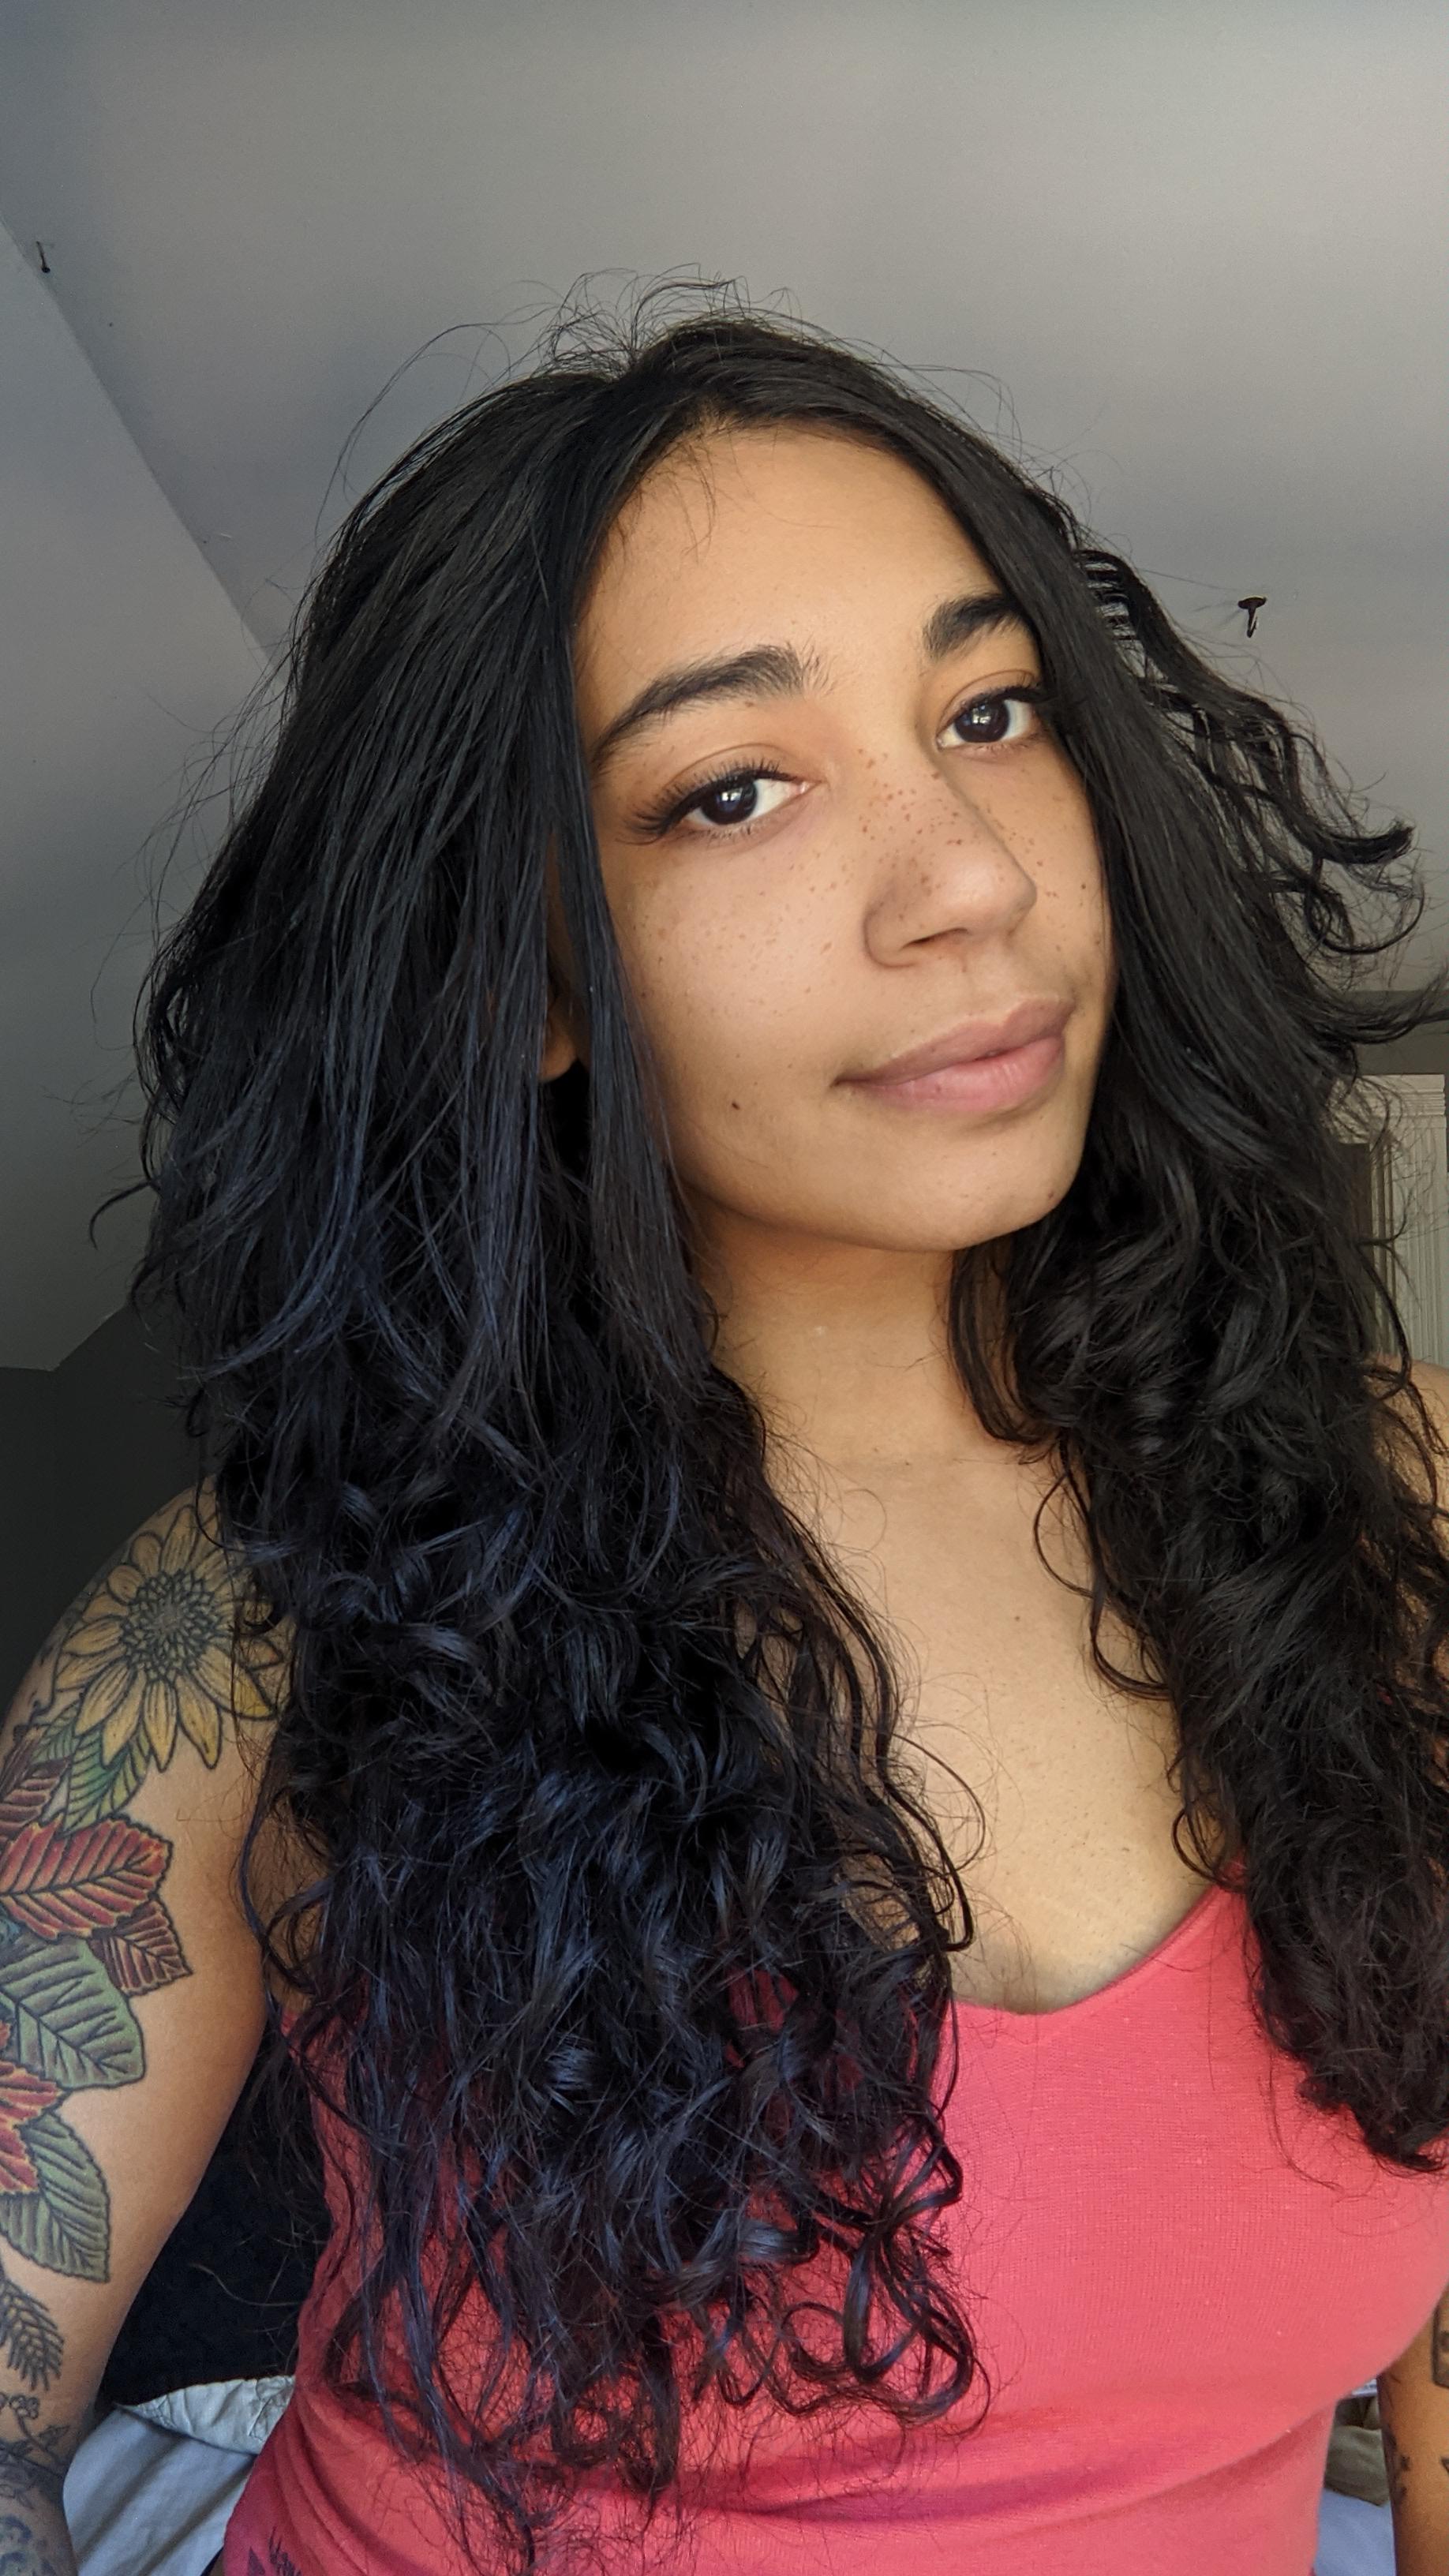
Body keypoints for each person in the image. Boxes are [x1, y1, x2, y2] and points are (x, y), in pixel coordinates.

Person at [2, 283, 1447, 2576]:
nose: (970, 876)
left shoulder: (1395, 1507)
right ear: (528, 979)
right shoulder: (278, 1608)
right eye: (732, 790)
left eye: (989, 712)